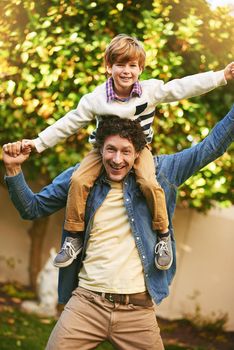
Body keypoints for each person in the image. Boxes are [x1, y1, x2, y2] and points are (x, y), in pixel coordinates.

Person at [3, 106, 234, 349]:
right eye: (110, 149)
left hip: (137, 311)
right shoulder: (80, 179)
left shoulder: (161, 173)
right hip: (86, 304)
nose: (117, 159)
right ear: (100, 149)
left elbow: (210, 148)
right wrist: (13, 169)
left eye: (126, 151)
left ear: (137, 154)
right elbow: (32, 208)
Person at [3, 34, 234, 272]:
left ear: (140, 68)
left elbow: (182, 87)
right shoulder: (96, 99)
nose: (126, 71)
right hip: (99, 150)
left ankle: (163, 235)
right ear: (108, 67)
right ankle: (74, 236)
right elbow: (69, 122)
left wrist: (221, 76)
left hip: (140, 149)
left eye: (132, 65)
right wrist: (38, 143)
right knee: (78, 180)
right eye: (120, 64)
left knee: (148, 181)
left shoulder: (149, 91)